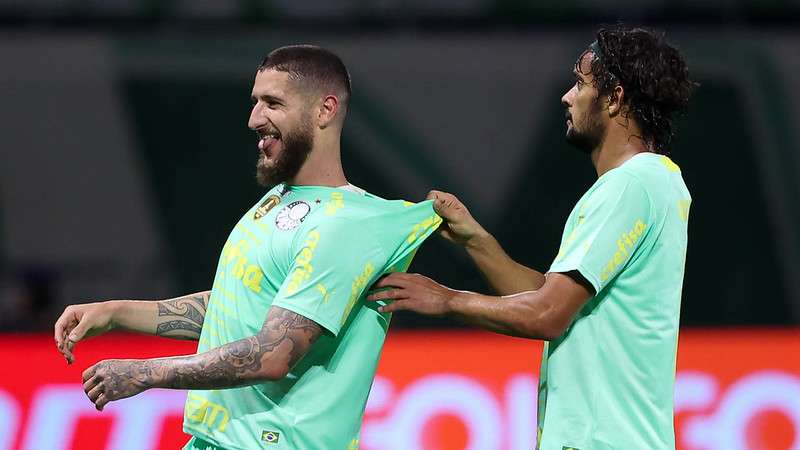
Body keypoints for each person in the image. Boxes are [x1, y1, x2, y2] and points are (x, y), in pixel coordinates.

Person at [54, 45, 441, 450]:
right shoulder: (278, 201)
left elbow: (273, 353)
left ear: (325, 110)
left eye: (272, 103)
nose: (254, 119)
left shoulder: (346, 225)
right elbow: (236, 309)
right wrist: (115, 313)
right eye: (255, 102)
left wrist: (145, 373)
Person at [369, 26, 694, 450]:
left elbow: (547, 315)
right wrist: (477, 241)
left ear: (614, 98)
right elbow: (553, 297)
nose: (567, 96)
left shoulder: (629, 186)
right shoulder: (655, 182)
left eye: (580, 83)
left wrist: (447, 298)